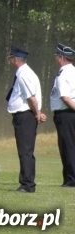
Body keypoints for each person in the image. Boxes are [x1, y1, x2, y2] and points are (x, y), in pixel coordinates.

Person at [6, 46, 46, 193]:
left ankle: (27, 184)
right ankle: (26, 182)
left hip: (25, 116)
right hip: (24, 115)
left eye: (11, 59)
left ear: (16, 60)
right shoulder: (23, 73)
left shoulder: (24, 75)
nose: (10, 62)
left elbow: (31, 97)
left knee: (25, 151)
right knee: (24, 150)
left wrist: (37, 113)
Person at [50, 43, 75, 187]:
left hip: (66, 114)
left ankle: (71, 180)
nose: (55, 59)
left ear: (61, 58)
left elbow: (65, 97)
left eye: (56, 56)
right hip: (71, 113)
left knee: (67, 147)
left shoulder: (63, 74)